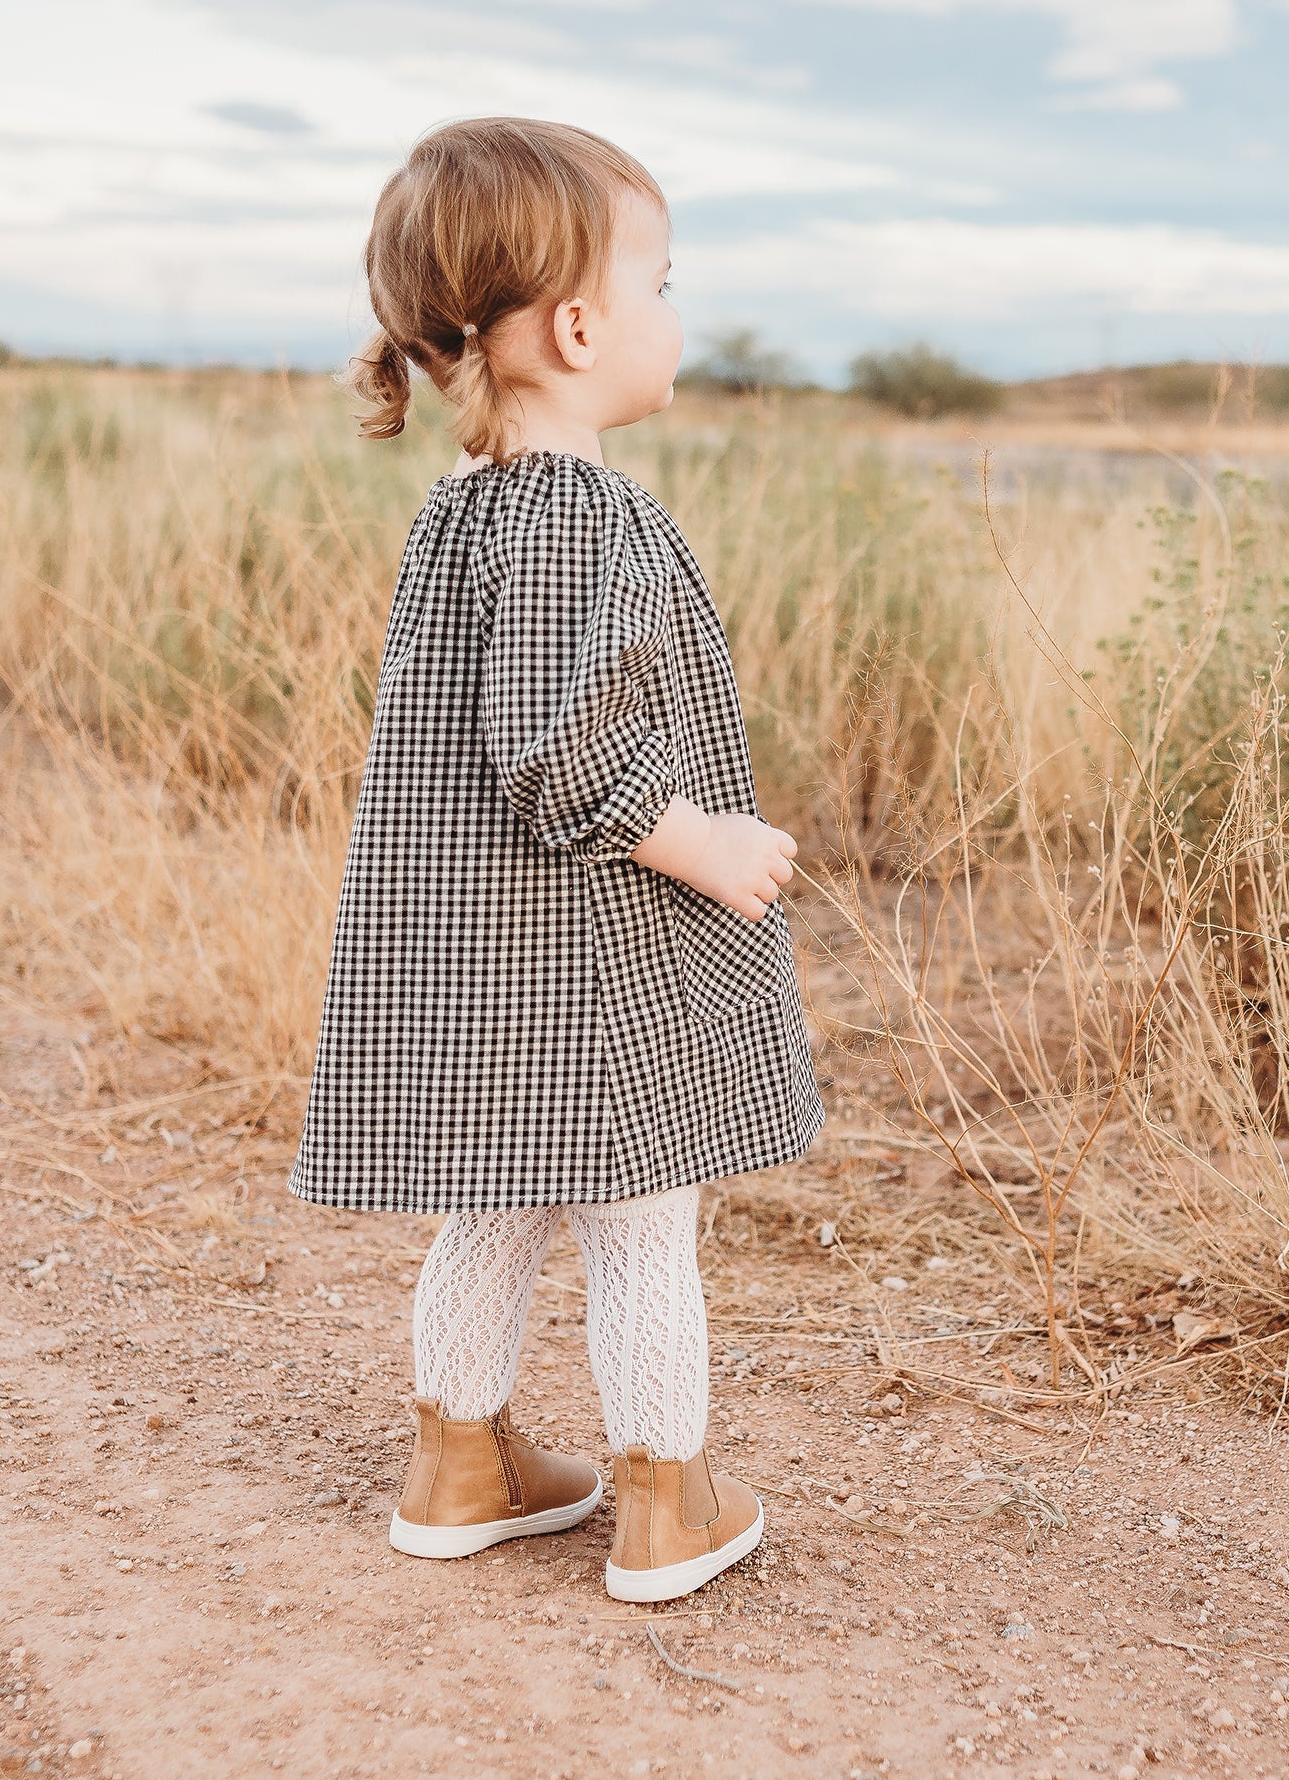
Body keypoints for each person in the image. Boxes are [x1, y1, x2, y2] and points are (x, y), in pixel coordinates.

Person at [290, 116, 823, 1603]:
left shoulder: (465, 515)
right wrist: (699, 839)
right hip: (595, 953)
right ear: (582, 327)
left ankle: (461, 1465)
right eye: (663, 285)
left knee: (500, 1194)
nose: (672, 317)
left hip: (488, 957)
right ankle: (667, 1499)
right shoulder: (585, 517)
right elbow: (554, 748)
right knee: (650, 1214)